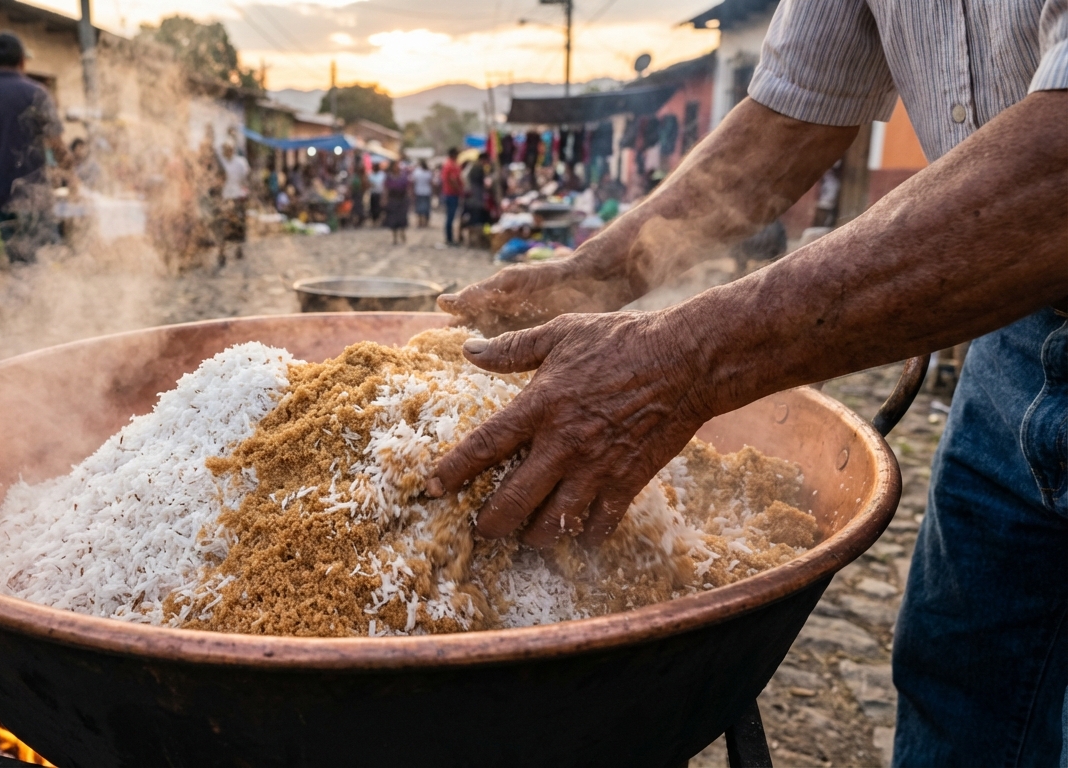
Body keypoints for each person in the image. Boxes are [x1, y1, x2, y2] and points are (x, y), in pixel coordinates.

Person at [426, 1, 1068, 764]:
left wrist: (679, 361)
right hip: (1016, 341)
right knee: (965, 673)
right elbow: (795, 109)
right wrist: (592, 277)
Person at [0, 32, 66, 263]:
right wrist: (74, 181)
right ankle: (45, 299)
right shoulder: (36, 92)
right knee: (47, 257)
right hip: (35, 193)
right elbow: (57, 144)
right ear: (22, 59)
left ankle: (25, 298)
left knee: (18, 259)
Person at [216, 141, 250, 267]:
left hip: (237, 196)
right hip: (225, 197)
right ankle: (221, 252)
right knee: (223, 225)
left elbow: (244, 179)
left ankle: (238, 248)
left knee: (238, 224)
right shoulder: (221, 163)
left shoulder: (240, 163)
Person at [381, 162, 409, 245]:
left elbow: (407, 188)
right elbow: (386, 189)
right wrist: (384, 198)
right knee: (393, 219)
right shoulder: (389, 177)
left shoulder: (403, 176)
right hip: (393, 200)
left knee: (402, 218)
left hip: (402, 199)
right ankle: (395, 237)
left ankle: (402, 232)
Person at [440, 147, 463, 245]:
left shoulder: (448, 164)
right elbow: (452, 179)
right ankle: (450, 239)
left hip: (450, 193)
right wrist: (459, 189)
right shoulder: (451, 165)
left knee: (450, 217)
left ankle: (450, 238)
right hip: (451, 194)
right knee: (450, 217)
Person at [410, 159, 433, 228]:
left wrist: (412, 191)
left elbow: (413, 182)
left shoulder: (417, 172)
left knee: (419, 207)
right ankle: (426, 222)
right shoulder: (428, 172)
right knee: (426, 207)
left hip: (418, 191)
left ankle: (420, 222)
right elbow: (431, 182)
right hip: (427, 191)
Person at [367, 162, 387, 226]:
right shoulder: (371, 174)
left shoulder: (382, 174)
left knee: (380, 208)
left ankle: (379, 221)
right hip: (373, 193)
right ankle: (374, 221)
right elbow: (369, 183)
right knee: (373, 208)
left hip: (380, 193)